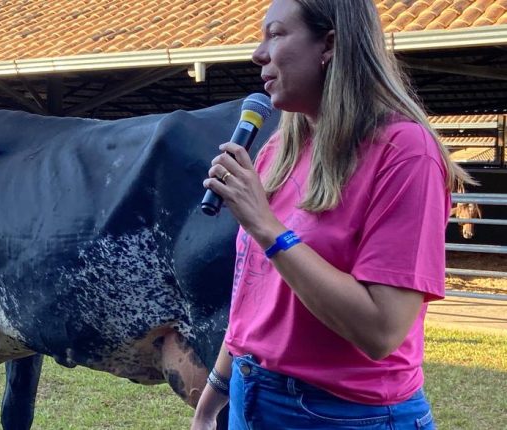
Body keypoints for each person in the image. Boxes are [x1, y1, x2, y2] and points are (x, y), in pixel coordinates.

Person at [192, 0, 473, 428]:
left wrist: (267, 227)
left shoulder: (406, 153)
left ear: (330, 44)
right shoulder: (275, 154)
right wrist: (213, 397)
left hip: (345, 415)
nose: (258, 53)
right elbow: (253, 299)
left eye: (277, 33)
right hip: (251, 398)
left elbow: (381, 331)